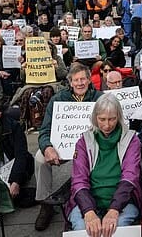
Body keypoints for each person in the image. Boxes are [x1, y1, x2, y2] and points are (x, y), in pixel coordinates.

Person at [34, 63, 103, 231]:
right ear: (70, 82)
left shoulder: (100, 98)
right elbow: (45, 130)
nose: (80, 83)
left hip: (93, 147)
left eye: (83, 79)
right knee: (40, 159)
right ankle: (46, 203)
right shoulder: (57, 99)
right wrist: (47, 147)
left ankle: (96, 198)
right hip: (62, 146)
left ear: (89, 80)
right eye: (76, 80)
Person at [65, 93, 142, 234]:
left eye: (112, 119)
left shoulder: (131, 140)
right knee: (82, 228)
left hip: (123, 200)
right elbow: (79, 179)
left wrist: (114, 210)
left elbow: (130, 176)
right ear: (95, 118)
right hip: (90, 198)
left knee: (118, 228)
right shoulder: (84, 141)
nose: (107, 125)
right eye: (102, 119)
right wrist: (89, 211)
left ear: (119, 117)